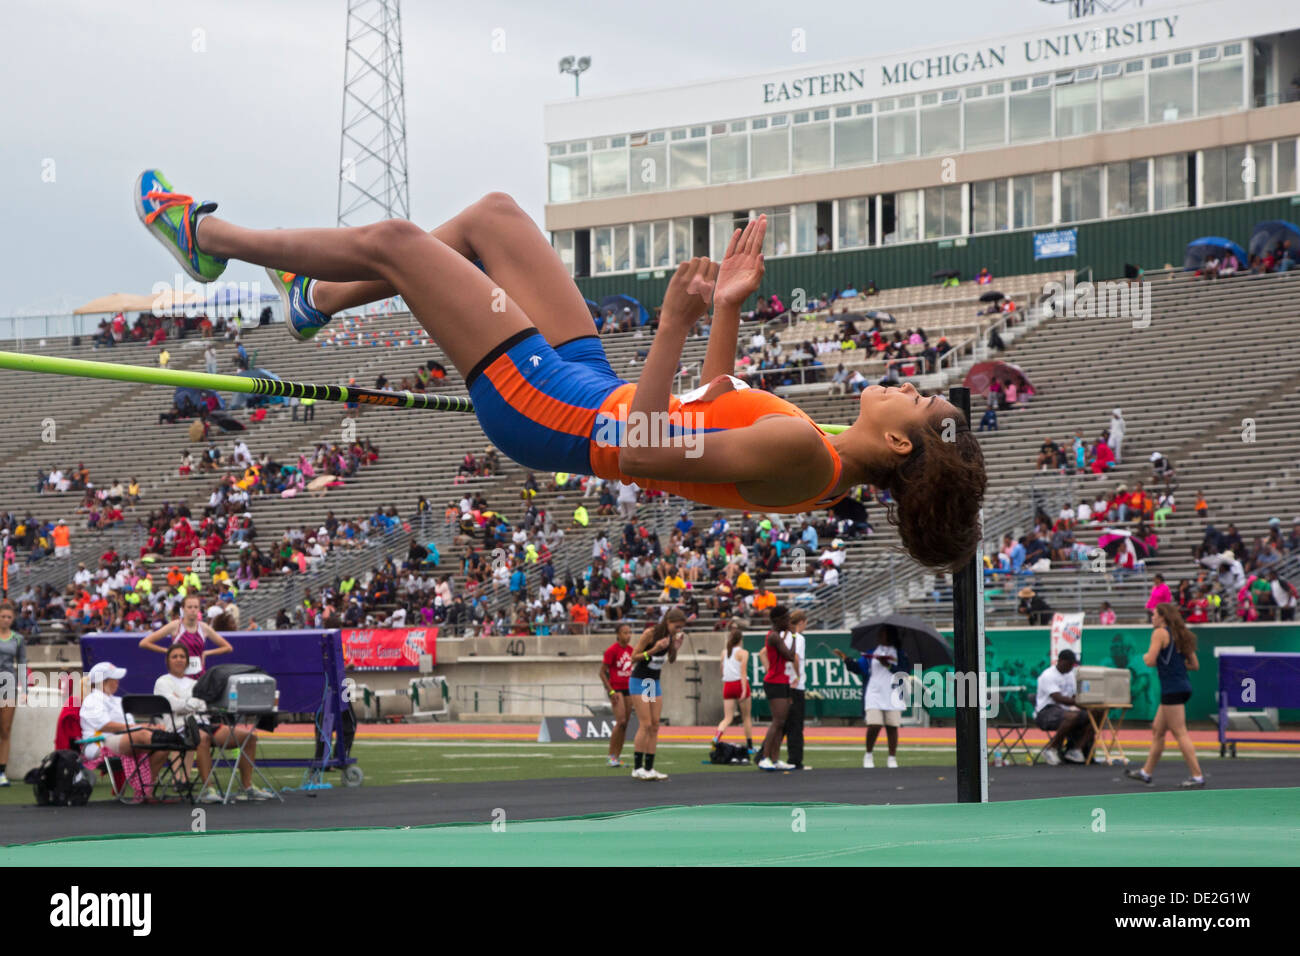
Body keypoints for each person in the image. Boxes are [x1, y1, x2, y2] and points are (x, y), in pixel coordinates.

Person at [137, 177, 986, 572]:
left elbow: (641, 451)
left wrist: (675, 323)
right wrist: (724, 307)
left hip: (550, 409)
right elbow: (712, 403)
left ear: (901, 436)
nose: (906, 384)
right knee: (492, 217)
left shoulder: (805, 454)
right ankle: (314, 297)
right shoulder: (812, 454)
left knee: (400, 243)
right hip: (586, 381)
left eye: (918, 397)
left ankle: (206, 239)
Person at [153, 644, 272, 801]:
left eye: (182, 657)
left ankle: (247, 786)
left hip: (204, 723)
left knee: (249, 737)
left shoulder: (195, 683)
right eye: (174, 656)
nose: (179, 660)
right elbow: (173, 705)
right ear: (168, 661)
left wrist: (186, 702)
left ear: (187, 661)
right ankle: (208, 790)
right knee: (202, 738)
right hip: (179, 729)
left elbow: (204, 704)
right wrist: (192, 703)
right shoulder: (162, 682)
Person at [80, 661, 196, 786]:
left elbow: (129, 725)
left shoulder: (117, 700)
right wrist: (141, 727)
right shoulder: (91, 700)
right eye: (114, 679)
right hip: (98, 743)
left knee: (163, 747)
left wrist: (151, 728)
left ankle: (146, 787)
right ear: (103, 682)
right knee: (141, 736)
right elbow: (105, 726)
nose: (117, 682)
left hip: (123, 738)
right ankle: (170, 737)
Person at [1127, 604, 1205, 788]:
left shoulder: (1160, 633)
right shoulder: (1180, 634)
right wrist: (1175, 666)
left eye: (1154, 615)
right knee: (1158, 729)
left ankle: (1197, 776)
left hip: (1172, 689)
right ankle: (1146, 772)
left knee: (1180, 732)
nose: (1152, 618)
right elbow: (1194, 665)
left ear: (1162, 617)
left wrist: (1145, 657)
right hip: (1182, 686)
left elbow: (1151, 660)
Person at [834, 624, 910, 768]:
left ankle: (892, 757)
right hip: (874, 692)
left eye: (882, 634)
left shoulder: (900, 653)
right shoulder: (872, 652)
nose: (879, 637)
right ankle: (868, 754)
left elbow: (904, 673)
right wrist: (848, 662)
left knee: (892, 726)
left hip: (893, 692)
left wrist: (888, 665)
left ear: (890, 636)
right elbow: (860, 668)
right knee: (874, 725)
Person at [627, 608, 686, 781]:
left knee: (654, 725)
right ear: (668, 622)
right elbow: (633, 657)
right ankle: (637, 768)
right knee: (645, 724)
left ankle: (649, 767)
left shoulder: (670, 637)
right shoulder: (650, 634)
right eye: (676, 627)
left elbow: (671, 660)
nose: (678, 630)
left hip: (653, 682)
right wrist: (653, 649)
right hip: (640, 681)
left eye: (680, 627)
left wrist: (674, 648)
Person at [138, 593, 233, 676]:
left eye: (196, 607)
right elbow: (144, 643)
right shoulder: (175, 625)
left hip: (199, 677)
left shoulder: (204, 628)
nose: (193, 610)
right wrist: (168, 651)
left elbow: (228, 647)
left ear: (199, 609)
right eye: (189, 607)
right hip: (178, 676)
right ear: (183, 609)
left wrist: (206, 653)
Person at [1033, 649, 1094, 765]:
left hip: (1065, 710)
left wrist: (1086, 703)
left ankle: (1075, 749)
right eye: (1069, 664)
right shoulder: (1048, 675)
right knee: (1072, 717)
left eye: (1073, 664)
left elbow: (1075, 695)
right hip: (1046, 712)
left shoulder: (1070, 675)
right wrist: (1078, 703)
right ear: (1060, 661)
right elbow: (1058, 698)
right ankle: (1051, 748)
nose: (1071, 667)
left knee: (1093, 716)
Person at [757, 605, 797, 771]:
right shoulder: (774, 636)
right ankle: (765, 757)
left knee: (782, 723)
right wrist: (794, 635)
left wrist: (788, 633)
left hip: (781, 680)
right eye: (786, 619)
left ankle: (774, 759)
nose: (788, 621)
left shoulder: (776, 635)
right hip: (775, 681)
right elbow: (789, 656)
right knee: (777, 721)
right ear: (778, 620)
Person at [712, 624, 754, 756]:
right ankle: (749, 745)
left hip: (728, 685)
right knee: (746, 717)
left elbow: (721, 669)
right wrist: (742, 690)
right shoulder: (743, 653)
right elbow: (743, 672)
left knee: (727, 718)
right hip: (739, 684)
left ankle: (716, 737)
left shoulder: (724, 652)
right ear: (740, 639)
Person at [598, 623, 635, 768]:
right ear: (618, 635)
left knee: (625, 725)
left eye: (630, 632)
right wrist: (611, 691)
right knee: (620, 721)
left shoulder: (632, 650)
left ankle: (617, 757)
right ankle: (610, 756)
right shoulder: (612, 650)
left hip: (629, 689)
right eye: (625, 633)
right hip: (616, 689)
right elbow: (602, 672)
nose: (628, 635)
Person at [0, 600, 26, 787]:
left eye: (9, 617)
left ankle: (1, 772)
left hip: (8, 685)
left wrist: (24, 689)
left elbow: (22, 664)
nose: (6, 620)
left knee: (5, 730)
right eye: (3, 616)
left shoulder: (18, 638)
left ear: (13, 619)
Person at [782, 609, 810, 770]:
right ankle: (795, 759)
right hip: (795, 685)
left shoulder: (781, 636)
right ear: (801, 622)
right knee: (796, 725)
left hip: (782, 682)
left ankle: (765, 755)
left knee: (782, 723)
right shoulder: (798, 638)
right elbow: (796, 657)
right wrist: (797, 676)